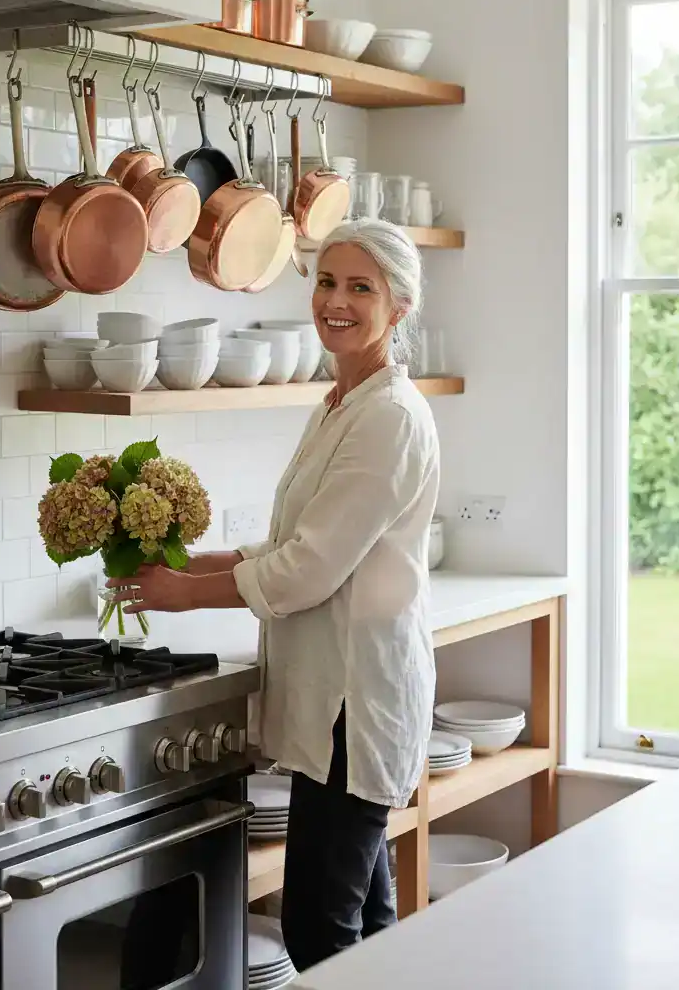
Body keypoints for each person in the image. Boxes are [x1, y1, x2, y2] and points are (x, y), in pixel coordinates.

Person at [110, 219, 439, 972]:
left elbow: (306, 571)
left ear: (401, 306)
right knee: (368, 923)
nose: (337, 301)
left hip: (355, 708)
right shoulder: (342, 404)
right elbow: (288, 545)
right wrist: (187, 561)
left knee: (320, 934)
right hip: (339, 704)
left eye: (362, 287)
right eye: (327, 282)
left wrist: (184, 596)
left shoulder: (386, 416)